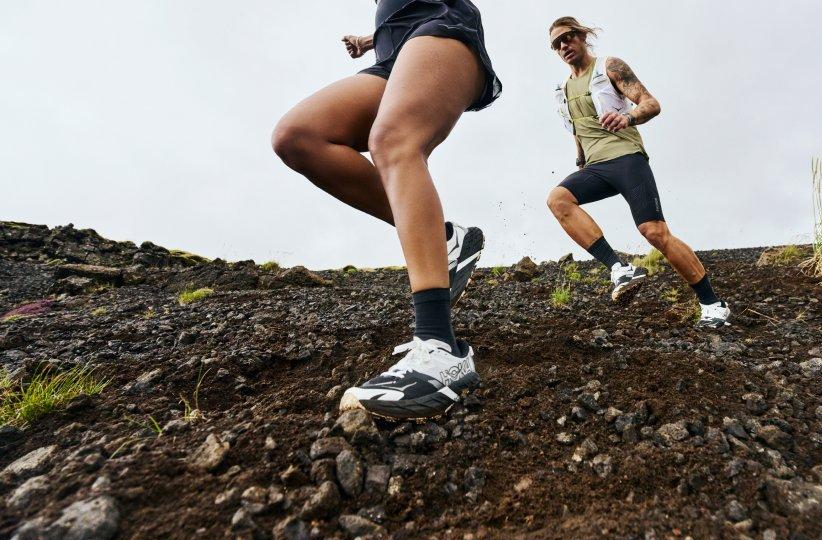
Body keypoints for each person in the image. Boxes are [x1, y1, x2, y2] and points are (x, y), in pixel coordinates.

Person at [271, 0, 502, 418]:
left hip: (441, 33)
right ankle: (446, 239)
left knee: (392, 139)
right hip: (392, 56)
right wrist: (370, 39)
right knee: (297, 136)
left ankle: (440, 348)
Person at [545, 16, 730, 328]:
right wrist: (580, 163)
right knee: (558, 200)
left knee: (654, 233)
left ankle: (713, 304)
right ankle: (619, 268)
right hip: (595, 168)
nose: (564, 45)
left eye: (568, 37)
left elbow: (650, 103)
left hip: (627, 159)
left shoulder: (609, 67)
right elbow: (578, 131)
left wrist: (628, 118)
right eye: (556, 44)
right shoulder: (561, 91)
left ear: (582, 37)